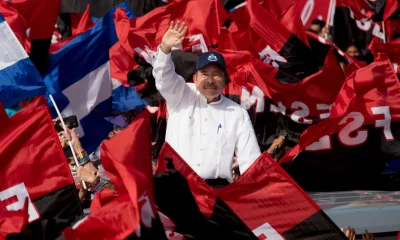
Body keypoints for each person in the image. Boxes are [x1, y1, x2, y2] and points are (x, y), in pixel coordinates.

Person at [152, 21, 261, 187]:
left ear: (225, 81)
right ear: (194, 79)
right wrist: (165, 50)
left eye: (216, 74)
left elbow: (250, 161)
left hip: (216, 190)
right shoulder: (181, 95)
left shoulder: (237, 113)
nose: (210, 80)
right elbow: (163, 78)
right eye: (204, 74)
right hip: (177, 189)